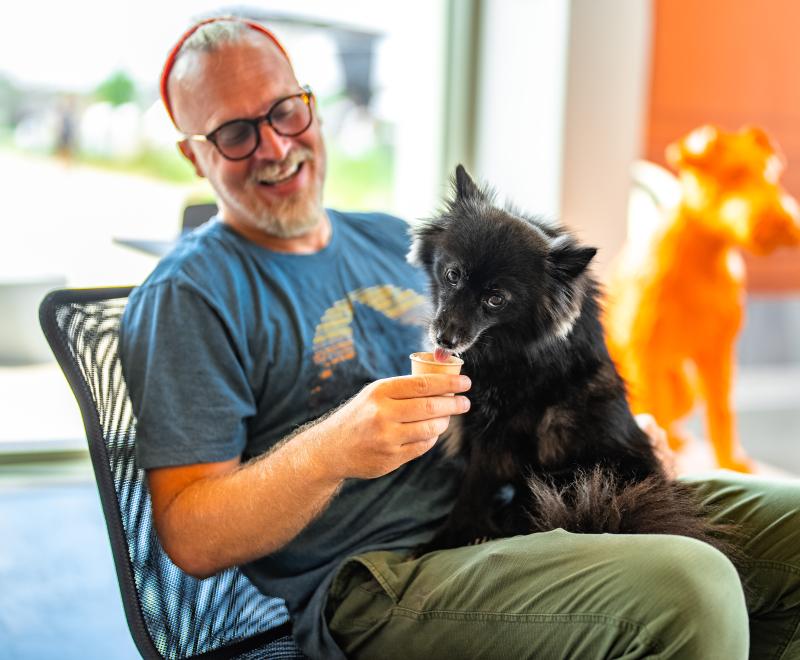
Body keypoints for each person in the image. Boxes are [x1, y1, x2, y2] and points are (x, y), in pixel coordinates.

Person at [120, 16, 800, 659]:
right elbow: (191, 535)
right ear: (192, 154)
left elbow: (524, 374)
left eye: (283, 111)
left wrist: (610, 441)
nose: (273, 145)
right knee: (690, 590)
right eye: (236, 133)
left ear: (311, 105)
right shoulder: (190, 295)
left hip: (520, 507)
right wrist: (333, 449)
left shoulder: (390, 238)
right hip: (388, 574)